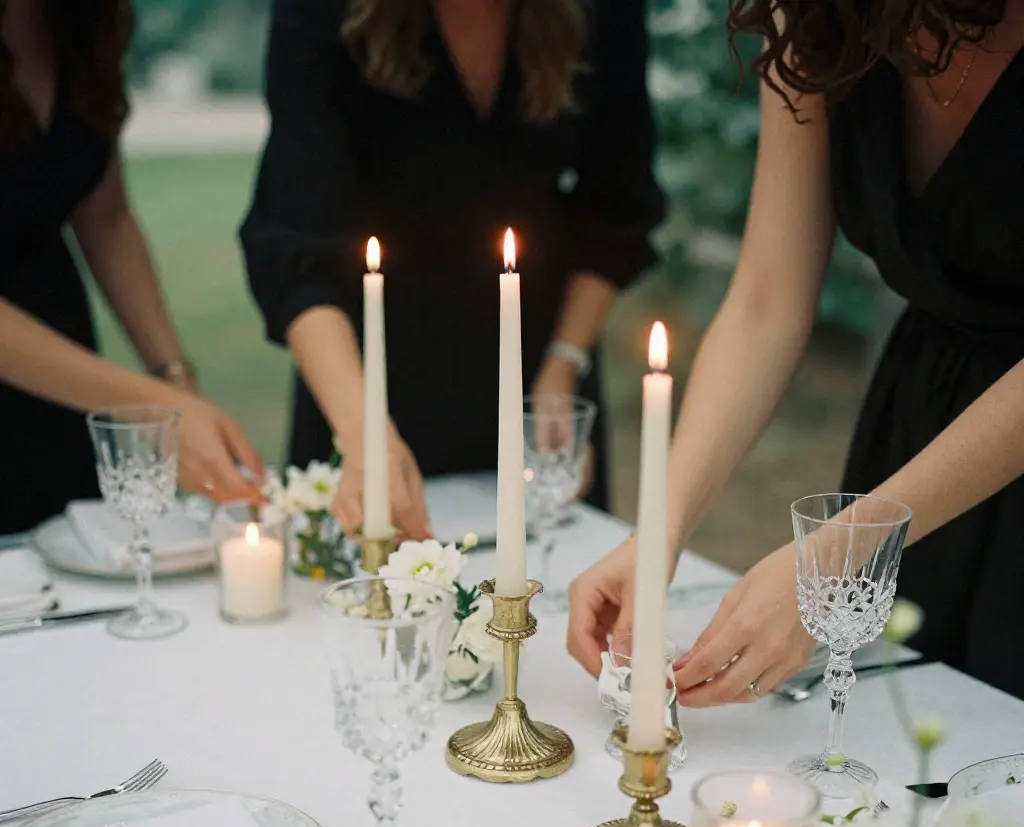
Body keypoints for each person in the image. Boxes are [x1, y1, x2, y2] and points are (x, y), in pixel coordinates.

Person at [567, 0, 1024, 701]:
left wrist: (841, 551)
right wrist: (662, 527)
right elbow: (766, 302)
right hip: (920, 437)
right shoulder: (819, 12)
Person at [240, 0, 664, 538]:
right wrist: (362, 429)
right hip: (361, 369)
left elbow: (617, 209)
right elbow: (294, 241)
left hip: (539, 366)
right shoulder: (323, 14)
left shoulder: (601, 13)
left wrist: (563, 363)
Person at [0, 0, 264, 535]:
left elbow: (107, 215)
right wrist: (146, 404)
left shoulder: (79, 20)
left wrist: (175, 379)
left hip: (61, 376)